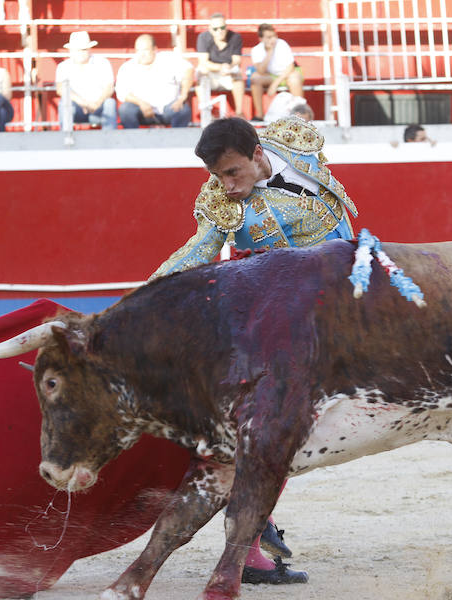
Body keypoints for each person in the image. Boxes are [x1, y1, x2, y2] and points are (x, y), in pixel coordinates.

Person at [150, 116, 358, 585]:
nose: (225, 187)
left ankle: (257, 524)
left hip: (348, 296)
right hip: (284, 323)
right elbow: (197, 251)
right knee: (282, 430)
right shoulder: (220, 204)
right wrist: (145, 295)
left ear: (258, 153)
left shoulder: (297, 142)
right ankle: (250, 539)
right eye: (216, 177)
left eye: (232, 173)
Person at [115, 34, 194, 128]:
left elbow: (188, 70)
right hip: (142, 111)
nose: (142, 54)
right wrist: (141, 103)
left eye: (145, 50)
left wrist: (182, 97)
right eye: (138, 50)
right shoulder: (128, 67)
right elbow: (122, 93)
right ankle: (132, 141)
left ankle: (177, 141)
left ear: (155, 49)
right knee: (125, 110)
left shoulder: (168, 59)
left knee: (183, 110)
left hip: (168, 109)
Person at [56, 31, 118, 130]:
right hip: (77, 108)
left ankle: (110, 141)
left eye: (83, 49)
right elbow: (61, 89)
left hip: (99, 107)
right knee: (65, 104)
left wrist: (97, 104)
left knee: (109, 103)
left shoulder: (103, 63)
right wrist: (84, 103)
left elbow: (109, 88)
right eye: (77, 50)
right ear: (70, 50)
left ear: (90, 49)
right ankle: (66, 139)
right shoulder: (63, 67)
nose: (81, 53)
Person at [248, 24, 305, 122]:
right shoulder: (256, 50)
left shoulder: (282, 44)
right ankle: (260, 115)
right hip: (271, 75)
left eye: (274, 36)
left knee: (294, 78)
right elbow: (260, 71)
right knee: (255, 78)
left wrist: (275, 84)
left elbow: (290, 67)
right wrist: (270, 52)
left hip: (287, 74)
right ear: (261, 39)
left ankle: (300, 115)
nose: (273, 39)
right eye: (269, 37)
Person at [196, 13, 246, 119]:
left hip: (228, 74)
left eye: (222, 27)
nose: (219, 31)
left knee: (238, 75)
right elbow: (203, 62)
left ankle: (239, 113)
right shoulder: (203, 37)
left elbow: (237, 60)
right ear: (210, 29)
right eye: (216, 29)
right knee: (201, 72)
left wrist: (228, 67)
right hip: (211, 74)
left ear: (226, 27)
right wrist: (221, 67)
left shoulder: (235, 37)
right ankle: (207, 112)